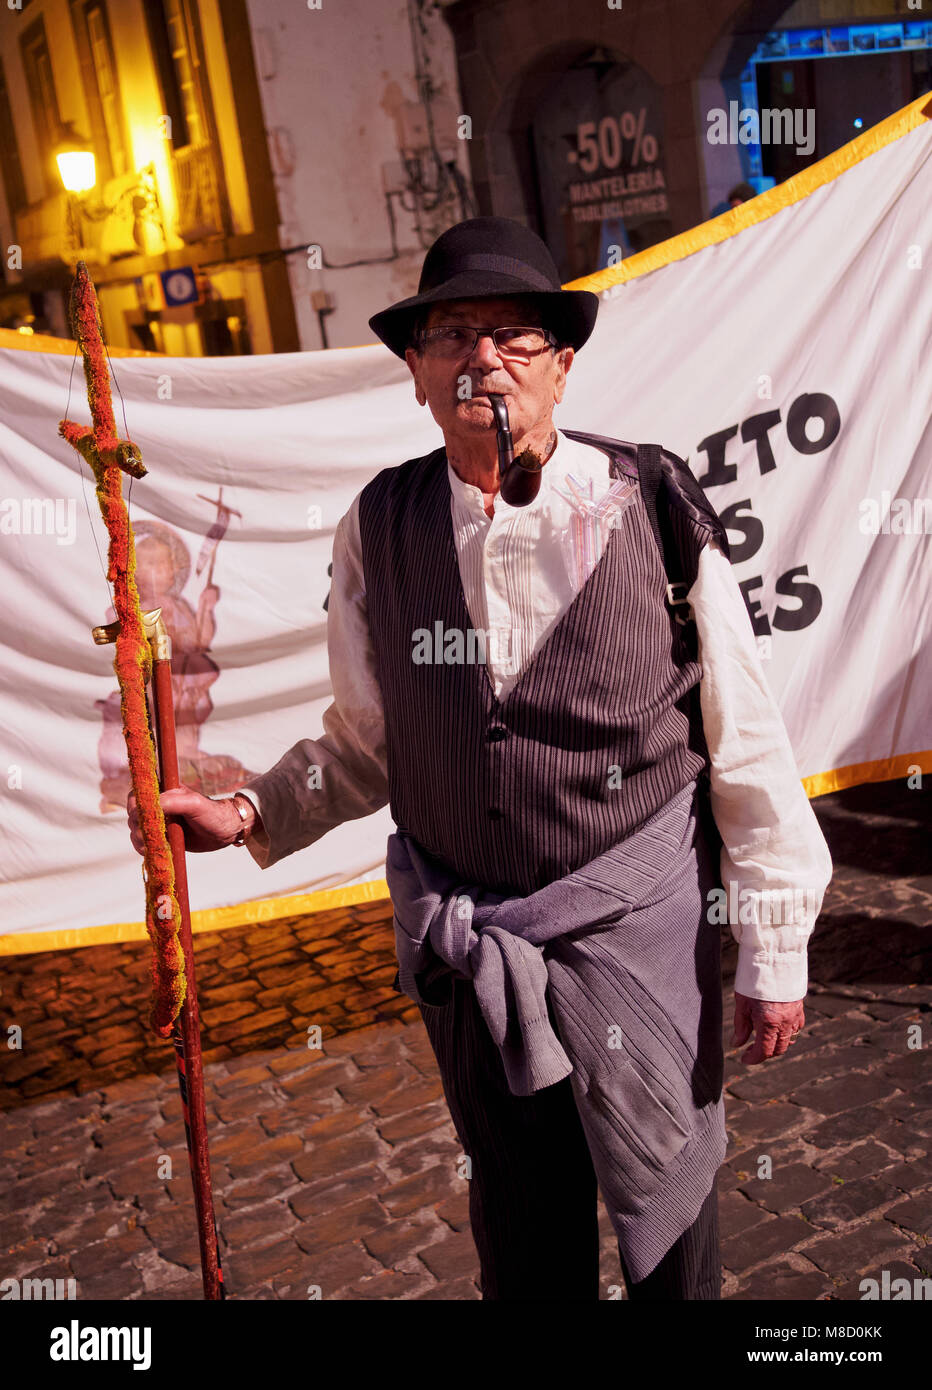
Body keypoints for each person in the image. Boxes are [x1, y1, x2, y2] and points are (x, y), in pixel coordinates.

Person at [127, 216, 832, 1301]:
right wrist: (252, 815)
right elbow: (368, 743)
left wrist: (773, 948)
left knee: (669, 1219)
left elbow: (743, 735)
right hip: (471, 941)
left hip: (638, 932)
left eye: (511, 333)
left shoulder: (649, 501)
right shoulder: (379, 523)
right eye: (451, 334)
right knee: (520, 1221)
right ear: (414, 373)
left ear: (560, 363)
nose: (481, 358)